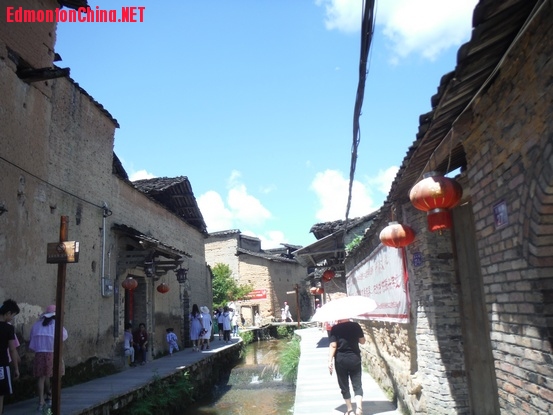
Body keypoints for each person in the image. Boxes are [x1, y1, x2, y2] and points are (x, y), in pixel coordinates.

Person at [29, 304, 68, 412]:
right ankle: (51, 395)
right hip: (52, 353)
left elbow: (32, 339)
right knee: (56, 376)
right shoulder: (56, 325)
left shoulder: (37, 325)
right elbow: (64, 336)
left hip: (39, 353)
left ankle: (41, 401)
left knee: (41, 377)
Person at [328, 319, 366, 415]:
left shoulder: (335, 328)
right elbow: (362, 341)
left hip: (341, 360)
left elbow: (333, 346)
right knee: (357, 384)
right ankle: (359, 408)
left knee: (344, 385)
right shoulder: (356, 326)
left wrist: (330, 361)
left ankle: (350, 410)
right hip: (355, 358)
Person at [0, 299, 20, 415]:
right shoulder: (8, 328)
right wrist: (16, 368)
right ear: (8, 313)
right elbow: (12, 349)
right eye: (13, 315)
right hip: (2, 365)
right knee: (0, 394)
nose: (12, 318)